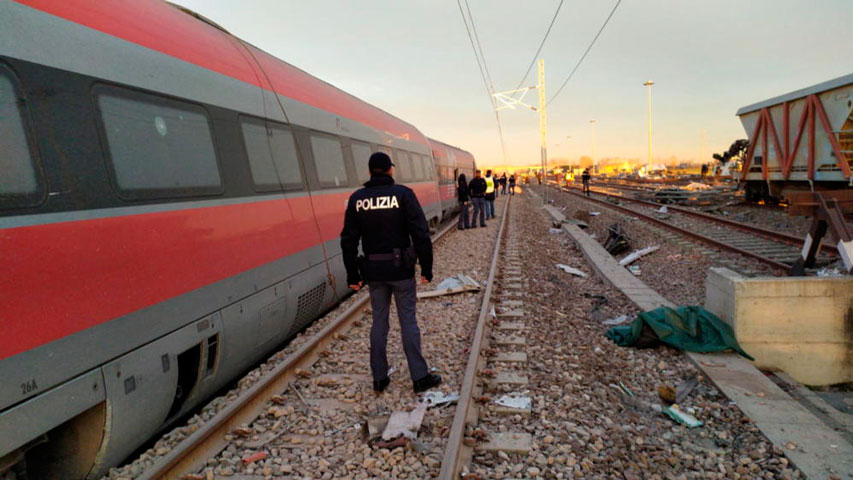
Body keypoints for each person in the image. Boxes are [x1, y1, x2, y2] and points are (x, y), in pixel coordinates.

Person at [340, 152, 442, 394]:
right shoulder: (403, 194)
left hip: (374, 272)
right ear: (390, 170)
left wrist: (352, 275)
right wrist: (426, 269)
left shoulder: (357, 199)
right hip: (401, 270)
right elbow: (420, 234)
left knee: (379, 322)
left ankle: (379, 377)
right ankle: (419, 377)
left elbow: (348, 240)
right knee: (408, 321)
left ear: (369, 172)